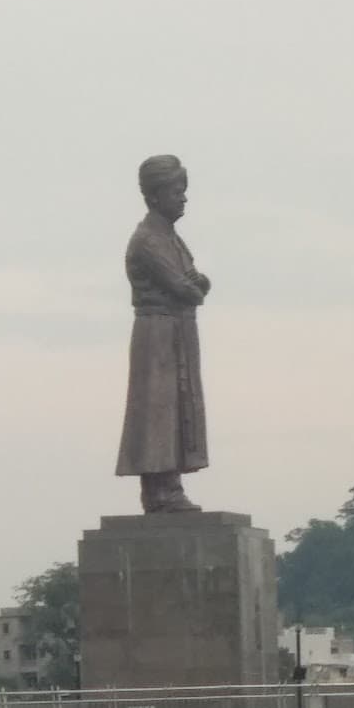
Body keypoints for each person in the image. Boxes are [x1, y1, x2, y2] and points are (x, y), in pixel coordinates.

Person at [114, 154, 211, 512]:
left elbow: (194, 284)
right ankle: (159, 489)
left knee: (177, 405)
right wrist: (195, 287)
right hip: (157, 333)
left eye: (184, 190)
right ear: (154, 196)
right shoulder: (148, 240)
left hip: (177, 330)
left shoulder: (171, 238)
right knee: (157, 407)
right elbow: (185, 288)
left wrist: (197, 285)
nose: (183, 198)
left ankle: (170, 485)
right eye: (176, 191)